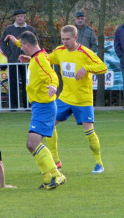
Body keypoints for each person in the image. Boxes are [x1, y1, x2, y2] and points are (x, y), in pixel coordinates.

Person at [4, 31, 66, 190]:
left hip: (44, 107)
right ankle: (48, 178)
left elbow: (52, 74)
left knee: (32, 143)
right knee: (31, 145)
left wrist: (53, 85)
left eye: (23, 47)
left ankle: (57, 175)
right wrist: (16, 42)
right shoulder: (37, 56)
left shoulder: (40, 60)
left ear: (28, 45)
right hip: (39, 106)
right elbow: (31, 51)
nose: (22, 50)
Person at [45, 25, 108, 174]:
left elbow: (103, 67)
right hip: (65, 98)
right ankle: (56, 160)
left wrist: (86, 68)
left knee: (89, 131)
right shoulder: (59, 51)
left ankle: (99, 163)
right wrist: (30, 56)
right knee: (49, 124)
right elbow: (45, 59)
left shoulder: (85, 53)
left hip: (83, 100)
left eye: (67, 39)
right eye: (63, 39)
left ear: (75, 38)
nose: (65, 42)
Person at [0, 9, 37, 110]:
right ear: (15, 18)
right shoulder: (9, 29)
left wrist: (31, 54)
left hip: (28, 61)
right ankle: (14, 106)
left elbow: (35, 43)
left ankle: (27, 105)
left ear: (25, 17)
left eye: (22, 16)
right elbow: (2, 43)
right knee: (13, 83)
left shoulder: (30, 29)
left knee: (27, 83)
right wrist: (9, 54)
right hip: (13, 61)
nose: (20, 18)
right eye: (18, 16)